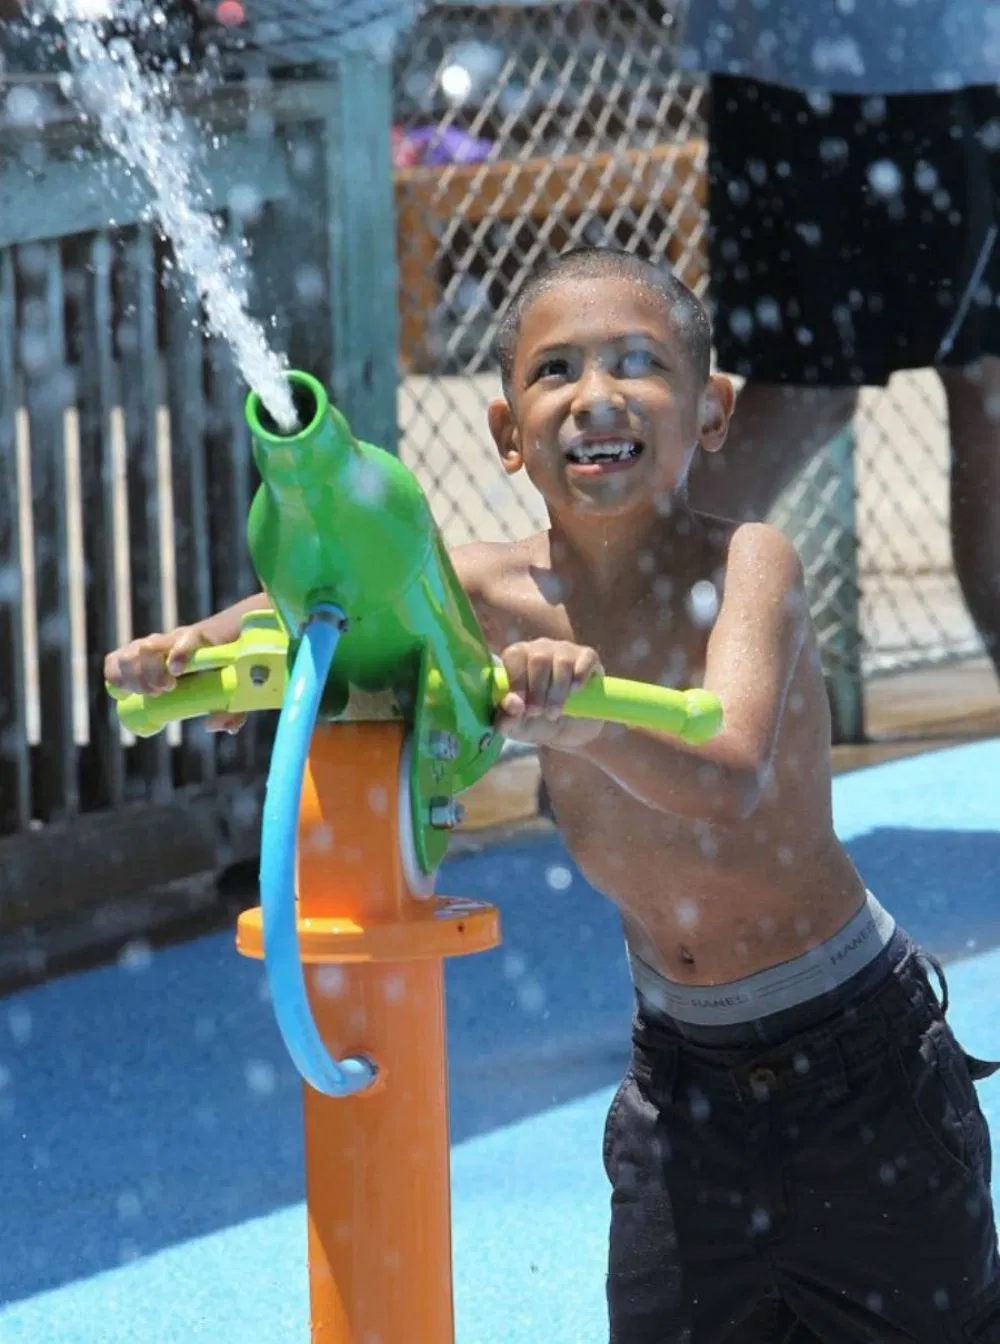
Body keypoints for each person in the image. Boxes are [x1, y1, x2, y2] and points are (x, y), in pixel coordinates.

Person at [105, 247, 1000, 1341]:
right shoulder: (485, 590)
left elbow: (727, 775)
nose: (595, 396)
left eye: (638, 364)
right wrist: (197, 657)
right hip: (684, 1093)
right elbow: (330, 601)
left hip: (859, 1066)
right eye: (555, 371)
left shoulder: (749, 566)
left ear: (711, 411)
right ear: (503, 433)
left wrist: (584, 721)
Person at [675, 1, 1000, 684]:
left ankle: (617, 665)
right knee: (811, 393)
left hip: (846, 58)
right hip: (855, 61)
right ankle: (619, 661)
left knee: (974, 387)